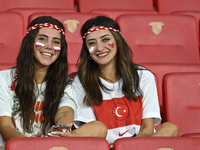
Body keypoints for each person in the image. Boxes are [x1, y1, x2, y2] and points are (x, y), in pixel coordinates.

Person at [0, 16, 107, 150]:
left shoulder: (65, 82)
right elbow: (5, 127)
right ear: (30, 42)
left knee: (99, 128)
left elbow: (64, 111)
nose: (49, 46)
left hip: (51, 143)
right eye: (42, 39)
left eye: (56, 42)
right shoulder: (4, 78)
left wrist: (61, 130)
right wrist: (26, 143)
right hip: (16, 144)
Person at [72, 16, 180, 148]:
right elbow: (93, 132)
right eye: (92, 43)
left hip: (139, 143)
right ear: (87, 51)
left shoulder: (144, 76)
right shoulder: (81, 82)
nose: (99, 48)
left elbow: (147, 128)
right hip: (107, 146)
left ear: (118, 42)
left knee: (171, 128)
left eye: (106, 40)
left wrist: (130, 147)